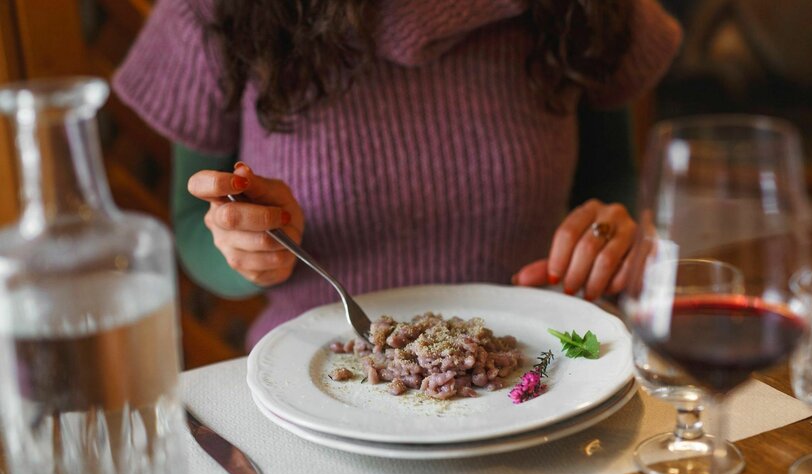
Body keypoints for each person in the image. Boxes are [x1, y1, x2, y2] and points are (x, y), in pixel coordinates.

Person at [114, 0, 682, 348]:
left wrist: (611, 235)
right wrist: (245, 251)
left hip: (538, 380)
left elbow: (612, 180)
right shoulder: (216, 10)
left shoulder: (585, 6)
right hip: (318, 384)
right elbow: (193, 220)